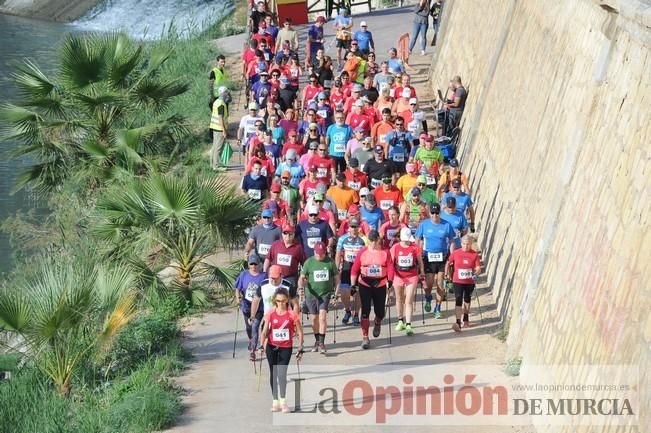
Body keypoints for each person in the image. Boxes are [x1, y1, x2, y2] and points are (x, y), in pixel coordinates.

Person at [260, 286, 304, 413]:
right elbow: (264, 332)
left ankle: (283, 402)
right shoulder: (270, 314)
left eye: (283, 300)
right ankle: (275, 402)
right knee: (273, 373)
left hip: (286, 347)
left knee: (282, 374)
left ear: (287, 300)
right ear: (275, 301)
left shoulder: (292, 315)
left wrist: (300, 347)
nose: (281, 303)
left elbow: (300, 332)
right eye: (278, 301)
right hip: (272, 346)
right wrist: (261, 345)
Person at [350, 230, 395, 349]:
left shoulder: (385, 251)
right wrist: (353, 285)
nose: (374, 244)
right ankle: (365, 337)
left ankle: (378, 321)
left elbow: (390, 267)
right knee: (365, 310)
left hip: (380, 284)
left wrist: (390, 280)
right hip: (365, 283)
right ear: (369, 240)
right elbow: (354, 269)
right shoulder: (362, 252)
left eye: (376, 241)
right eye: (372, 241)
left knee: (380, 311)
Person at [415, 203, 455, 318]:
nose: (434, 215)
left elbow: (452, 241)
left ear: (439, 213)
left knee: (440, 284)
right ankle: (428, 298)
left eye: (437, 213)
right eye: (432, 213)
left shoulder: (446, 225)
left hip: (442, 257)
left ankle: (437, 308)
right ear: (429, 213)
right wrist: (417, 254)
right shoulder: (424, 225)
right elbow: (417, 239)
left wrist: (452, 257)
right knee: (428, 284)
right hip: (428, 257)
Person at [299, 241, 339, 353]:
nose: (320, 256)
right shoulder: (309, 262)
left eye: (322, 253)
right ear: (314, 252)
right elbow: (301, 278)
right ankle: (317, 340)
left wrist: (336, 294)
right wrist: (301, 287)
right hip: (311, 294)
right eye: (318, 253)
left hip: (325, 294)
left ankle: (322, 343)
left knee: (322, 317)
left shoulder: (330, 262)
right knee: (314, 320)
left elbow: (337, 279)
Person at [264, 223, 306, 313]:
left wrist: (303, 277)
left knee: (290, 301)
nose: (288, 236)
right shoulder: (276, 245)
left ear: (294, 234)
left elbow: (304, 264)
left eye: (290, 234)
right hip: (276, 278)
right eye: (285, 233)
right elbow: (268, 259)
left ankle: (292, 321)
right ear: (282, 234)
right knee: (275, 300)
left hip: (290, 278)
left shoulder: (298, 248)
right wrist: (265, 273)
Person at [391, 227, 425, 336]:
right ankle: (400, 320)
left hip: (412, 276)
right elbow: (391, 263)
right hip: (398, 276)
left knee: (408, 299)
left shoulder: (415, 247)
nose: (406, 241)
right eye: (405, 239)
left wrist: (422, 272)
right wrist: (389, 277)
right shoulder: (395, 248)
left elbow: (420, 261)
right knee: (399, 298)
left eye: (408, 239)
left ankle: (409, 324)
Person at [335, 217, 368, 326]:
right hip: (346, 267)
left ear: (359, 227)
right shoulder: (342, 238)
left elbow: (368, 253)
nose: (354, 229)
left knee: (357, 292)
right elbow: (338, 253)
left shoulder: (364, 239)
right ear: (349, 227)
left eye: (356, 226)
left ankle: (356, 314)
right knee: (344, 291)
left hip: (359, 268)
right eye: (352, 226)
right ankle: (348, 310)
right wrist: (336, 269)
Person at [235, 253, 267, 361]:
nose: (253, 266)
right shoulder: (243, 275)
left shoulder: (264, 276)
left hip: (259, 306)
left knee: (255, 326)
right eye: (251, 264)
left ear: (259, 264)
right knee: (249, 328)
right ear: (248, 264)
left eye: (255, 264)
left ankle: (253, 350)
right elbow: (238, 288)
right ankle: (251, 340)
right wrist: (237, 297)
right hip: (246, 305)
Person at [446, 235, 481, 332]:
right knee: (458, 299)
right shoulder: (456, 253)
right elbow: (448, 263)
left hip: (470, 281)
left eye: (468, 244)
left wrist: (476, 274)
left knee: (467, 299)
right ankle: (458, 322)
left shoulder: (474, 255)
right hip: (457, 281)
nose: (466, 246)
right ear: (461, 244)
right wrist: (446, 274)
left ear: (471, 244)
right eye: (464, 244)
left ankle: (465, 319)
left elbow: (478, 268)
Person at [209, 86, 231, 172]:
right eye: (227, 92)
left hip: (215, 127)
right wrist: (224, 130)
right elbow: (220, 118)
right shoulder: (221, 104)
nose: (227, 94)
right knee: (218, 147)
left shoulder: (217, 102)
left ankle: (213, 163)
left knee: (214, 146)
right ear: (224, 93)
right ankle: (216, 165)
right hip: (219, 128)